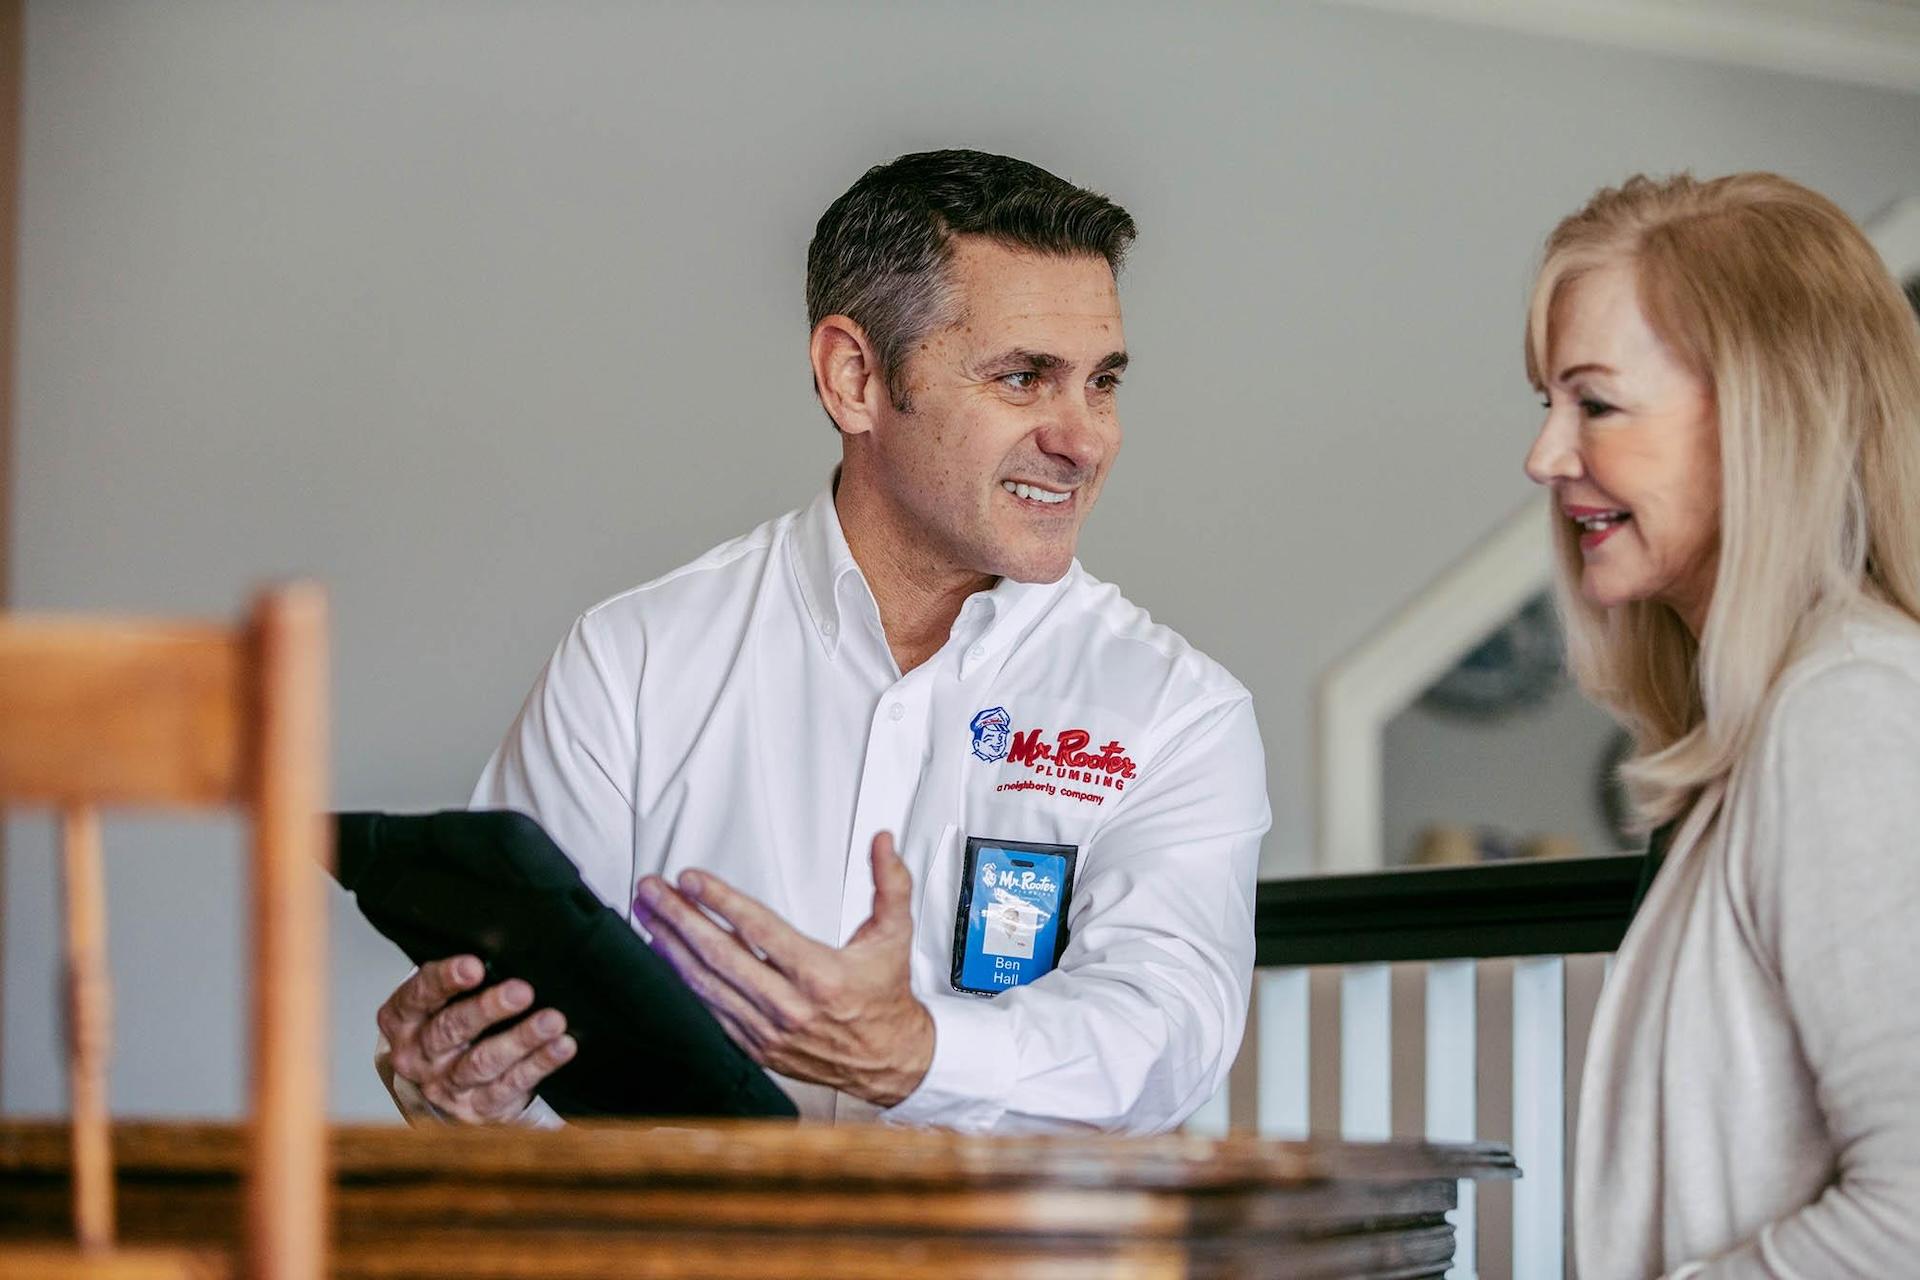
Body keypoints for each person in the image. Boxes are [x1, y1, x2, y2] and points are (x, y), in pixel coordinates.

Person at [373, 149, 1271, 1133]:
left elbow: (1167, 1033)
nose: (1087, 438)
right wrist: (464, 1096)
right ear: (855, 378)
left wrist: (916, 1051)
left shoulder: (1177, 711)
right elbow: (516, 1042)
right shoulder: (633, 661)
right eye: (1024, 377)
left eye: (1102, 382)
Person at [1523, 172, 1920, 1277]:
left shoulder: (1852, 711)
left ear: (1764, 414)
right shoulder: (1777, 720)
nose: (1546, 456)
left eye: (1595, 403)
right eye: (1546, 403)